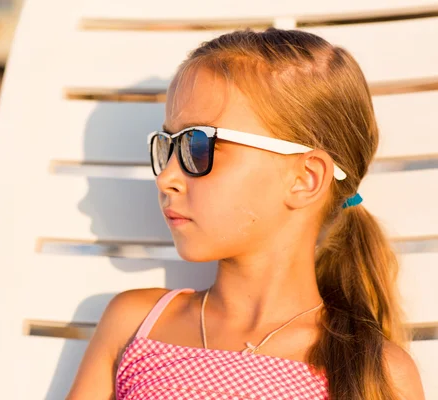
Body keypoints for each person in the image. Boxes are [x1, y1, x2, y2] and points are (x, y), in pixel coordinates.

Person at [66, 28, 425, 400]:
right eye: (167, 146)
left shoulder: (376, 374)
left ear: (305, 178)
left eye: (198, 145)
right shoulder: (135, 323)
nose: (167, 177)